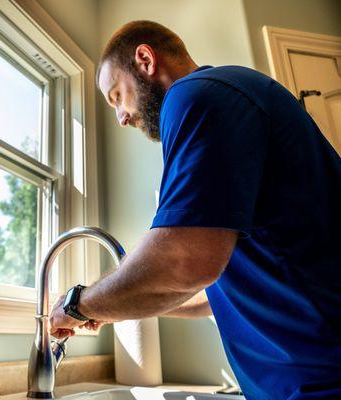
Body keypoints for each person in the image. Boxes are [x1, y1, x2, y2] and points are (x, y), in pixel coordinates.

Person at [48, 20, 341, 399]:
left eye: (116, 96)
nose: (121, 118)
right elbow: (211, 289)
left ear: (144, 59)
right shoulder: (227, 96)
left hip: (323, 376)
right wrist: (108, 306)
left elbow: (183, 262)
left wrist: (77, 302)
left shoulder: (197, 95)